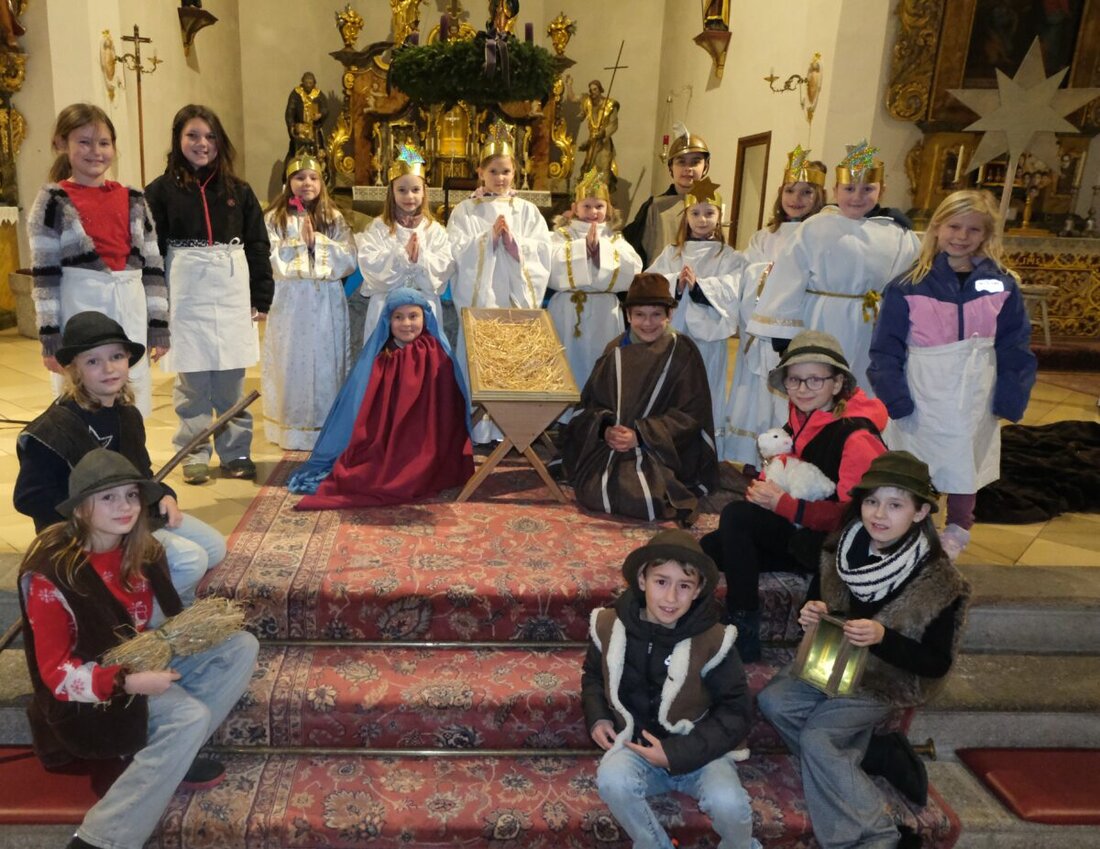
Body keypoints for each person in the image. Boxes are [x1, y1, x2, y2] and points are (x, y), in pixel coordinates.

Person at [18, 449, 259, 849]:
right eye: (108, 498)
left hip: (137, 661)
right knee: (187, 715)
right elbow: (57, 676)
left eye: (130, 495)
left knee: (238, 647)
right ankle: (101, 837)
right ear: (80, 509)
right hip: (88, 695)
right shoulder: (52, 574)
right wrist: (129, 683)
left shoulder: (142, 550)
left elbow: (160, 623)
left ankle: (172, 753)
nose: (125, 506)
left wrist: (190, 635)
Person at [758, 451, 970, 849]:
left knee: (819, 739)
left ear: (921, 512)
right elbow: (821, 603)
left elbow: (936, 663)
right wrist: (814, 612)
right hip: (828, 661)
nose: (878, 514)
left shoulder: (942, 581)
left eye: (895, 505)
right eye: (872, 501)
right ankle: (868, 751)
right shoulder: (839, 549)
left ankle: (880, 836)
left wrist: (882, 637)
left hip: (884, 678)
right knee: (774, 702)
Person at [868, 189, 1036, 560]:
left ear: (987, 235)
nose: (962, 236)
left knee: (965, 457)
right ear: (937, 228)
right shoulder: (908, 285)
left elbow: (1015, 345)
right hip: (924, 386)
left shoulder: (1003, 285)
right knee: (919, 457)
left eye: (973, 230)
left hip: (975, 387)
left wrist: (1011, 395)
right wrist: (894, 397)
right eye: (954, 226)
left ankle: (959, 527)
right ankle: (914, 523)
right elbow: (885, 348)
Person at [14, 312, 226, 605]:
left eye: (116, 356)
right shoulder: (51, 431)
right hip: (81, 535)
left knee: (214, 548)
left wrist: (163, 494)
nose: (109, 368)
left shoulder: (127, 415)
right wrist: (92, 514)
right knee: (190, 559)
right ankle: (134, 619)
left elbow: (140, 471)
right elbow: (28, 498)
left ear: (128, 360)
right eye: (93, 361)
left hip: (130, 517)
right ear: (74, 371)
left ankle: (160, 600)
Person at [700, 331, 887, 662]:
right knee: (712, 548)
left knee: (736, 518)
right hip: (803, 530)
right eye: (795, 381)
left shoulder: (856, 435)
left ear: (837, 382)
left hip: (835, 544)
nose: (803, 389)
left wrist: (782, 505)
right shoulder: (801, 418)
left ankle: (744, 626)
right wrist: (764, 489)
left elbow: (857, 517)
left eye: (815, 380)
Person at [581, 529, 759, 849]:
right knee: (612, 781)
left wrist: (676, 753)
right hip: (637, 746)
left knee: (730, 804)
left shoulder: (714, 639)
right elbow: (593, 675)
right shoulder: (610, 626)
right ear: (641, 580)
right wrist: (598, 716)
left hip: (701, 750)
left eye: (684, 586)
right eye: (661, 581)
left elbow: (737, 711)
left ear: (698, 590)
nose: (671, 598)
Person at [145, 104, 273, 485]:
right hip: (187, 296)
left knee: (232, 383)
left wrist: (262, 296)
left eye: (210, 136)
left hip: (232, 294)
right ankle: (194, 452)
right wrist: (157, 305)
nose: (202, 144)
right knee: (194, 383)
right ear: (178, 139)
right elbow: (151, 251)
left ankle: (236, 451)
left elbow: (257, 245)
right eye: (193, 136)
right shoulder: (160, 191)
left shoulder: (240, 191)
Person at [746, 140, 920, 395]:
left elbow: (907, 286)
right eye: (849, 188)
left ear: (881, 190)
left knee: (861, 391)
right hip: (819, 323)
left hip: (871, 326)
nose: (857, 197)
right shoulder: (815, 228)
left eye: (867, 189)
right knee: (818, 387)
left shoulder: (899, 234)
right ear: (836, 189)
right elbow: (788, 279)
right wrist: (783, 336)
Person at [27, 103, 168, 417]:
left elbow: (153, 265)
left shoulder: (134, 199)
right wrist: (50, 336)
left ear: (114, 147)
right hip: (80, 305)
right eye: (84, 142)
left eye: (104, 143)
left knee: (131, 389)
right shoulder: (52, 201)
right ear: (62, 144)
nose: (95, 151)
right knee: (84, 394)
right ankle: (87, 460)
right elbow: (45, 276)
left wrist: (158, 325)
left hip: (130, 305)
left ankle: (129, 455)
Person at [287, 287, 473, 508]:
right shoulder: (383, 355)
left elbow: (445, 404)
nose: (406, 324)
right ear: (388, 320)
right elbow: (369, 403)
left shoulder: (435, 353)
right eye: (398, 317)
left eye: (413, 316)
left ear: (425, 317)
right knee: (368, 468)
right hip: (385, 438)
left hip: (425, 438)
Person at [561, 273, 718, 525]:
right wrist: (606, 430)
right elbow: (591, 404)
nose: (648, 323)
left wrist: (642, 435)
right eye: (640, 315)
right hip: (614, 443)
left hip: (663, 449)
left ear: (670, 314)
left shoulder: (683, 352)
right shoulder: (615, 350)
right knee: (595, 492)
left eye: (656, 314)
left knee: (644, 498)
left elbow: (690, 414)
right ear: (627, 316)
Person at [446, 119, 551, 443]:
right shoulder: (465, 210)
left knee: (513, 363)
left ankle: (511, 430)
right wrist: (487, 240)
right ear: (480, 172)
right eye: (493, 172)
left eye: (506, 171)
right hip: (482, 301)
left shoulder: (528, 211)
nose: (500, 178)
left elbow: (544, 252)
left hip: (514, 299)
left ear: (515, 173)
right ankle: (478, 430)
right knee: (480, 363)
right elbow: (455, 252)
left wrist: (515, 245)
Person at [723, 147, 827, 467]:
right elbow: (748, 276)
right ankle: (755, 461)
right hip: (762, 332)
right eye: (790, 190)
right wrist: (769, 272)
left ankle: (791, 460)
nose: (796, 198)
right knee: (759, 396)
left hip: (798, 330)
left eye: (807, 192)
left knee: (793, 394)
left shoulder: (821, 234)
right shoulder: (764, 236)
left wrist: (781, 274)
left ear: (820, 196)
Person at [262, 152, 356, 451]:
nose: (306, 183)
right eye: (299, 177)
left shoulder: (333, 218)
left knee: (327, 361)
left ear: (322, 183)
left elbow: (350, 258)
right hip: (291, 303)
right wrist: (298, 243)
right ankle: (291, 429)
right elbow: (269, 259)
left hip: (326, 301)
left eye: (313, 177)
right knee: (291, 362)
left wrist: (319, 243)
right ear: (288, 182)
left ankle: (326, 427)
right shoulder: (274, 218)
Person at [647, 177, 744, 456]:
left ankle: (703, 448)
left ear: (720, 216)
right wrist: (675, 284)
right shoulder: (672, 252)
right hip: (674, 335)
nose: (702, 220)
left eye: (709, 213)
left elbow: (735, 286)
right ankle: (666, 443)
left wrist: (701, 288)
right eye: (696, 213)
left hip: (709, 339)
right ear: (686, 216)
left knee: (705, 387)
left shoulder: (729, 256)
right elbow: (650, 281)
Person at [547, 168, 642, 393]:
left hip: (603, 312)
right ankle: (564, 415)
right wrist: (582, 250)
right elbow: (548, 266)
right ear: (574, 208)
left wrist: (601, 251)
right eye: (586, 206)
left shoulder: (615, 237)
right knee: (565, 361)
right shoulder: (561, 234)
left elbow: (634, 268)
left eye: (599, 206)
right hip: (566, 311)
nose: (593, 212)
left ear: (608, 209)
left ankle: (599, 411)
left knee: (600, 359)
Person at [358, 144, 454, 341]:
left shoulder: (434, 230)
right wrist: (401, 256)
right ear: (391, 192)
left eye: (415, 189)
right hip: (386, 308)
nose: (409, 196)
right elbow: (369, 264)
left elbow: (444, 267)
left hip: (424, 312)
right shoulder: (379, 227)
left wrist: (421, 258)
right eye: (402, 190)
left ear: (424, 192)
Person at [622, 124, 711, 267]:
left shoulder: (711, 208)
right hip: (660, 283)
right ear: (671, 167)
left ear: (705, 166)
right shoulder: (655, 206)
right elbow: (629, 246)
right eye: (681, 162)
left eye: (695, 162)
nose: (688, 168)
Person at [567, 77, 619, 189]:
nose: (592, 92)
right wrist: (569, 85)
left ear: (600, 90)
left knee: (603, 167)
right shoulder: (587, 101)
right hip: (592, 141)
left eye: (595, 89)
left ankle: (602, 195)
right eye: (591, 90)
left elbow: (614, 125)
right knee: (588, 167)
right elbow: (573, 98)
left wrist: (603, 133)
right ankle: (591, 192)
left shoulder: (609, 105)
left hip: (604, 141)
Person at [284, 71, 328, 164]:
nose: (308, 85)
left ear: (314, 83)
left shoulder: (318, 94)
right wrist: (292, 126)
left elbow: (325, 108)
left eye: (310, 83)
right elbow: (290, 111)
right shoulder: (296, 93)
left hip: (314, 128)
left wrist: (320, 115)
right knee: (296, 153)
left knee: (318, 153)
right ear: (302, 82)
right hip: (300, 128)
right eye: (306, 82)